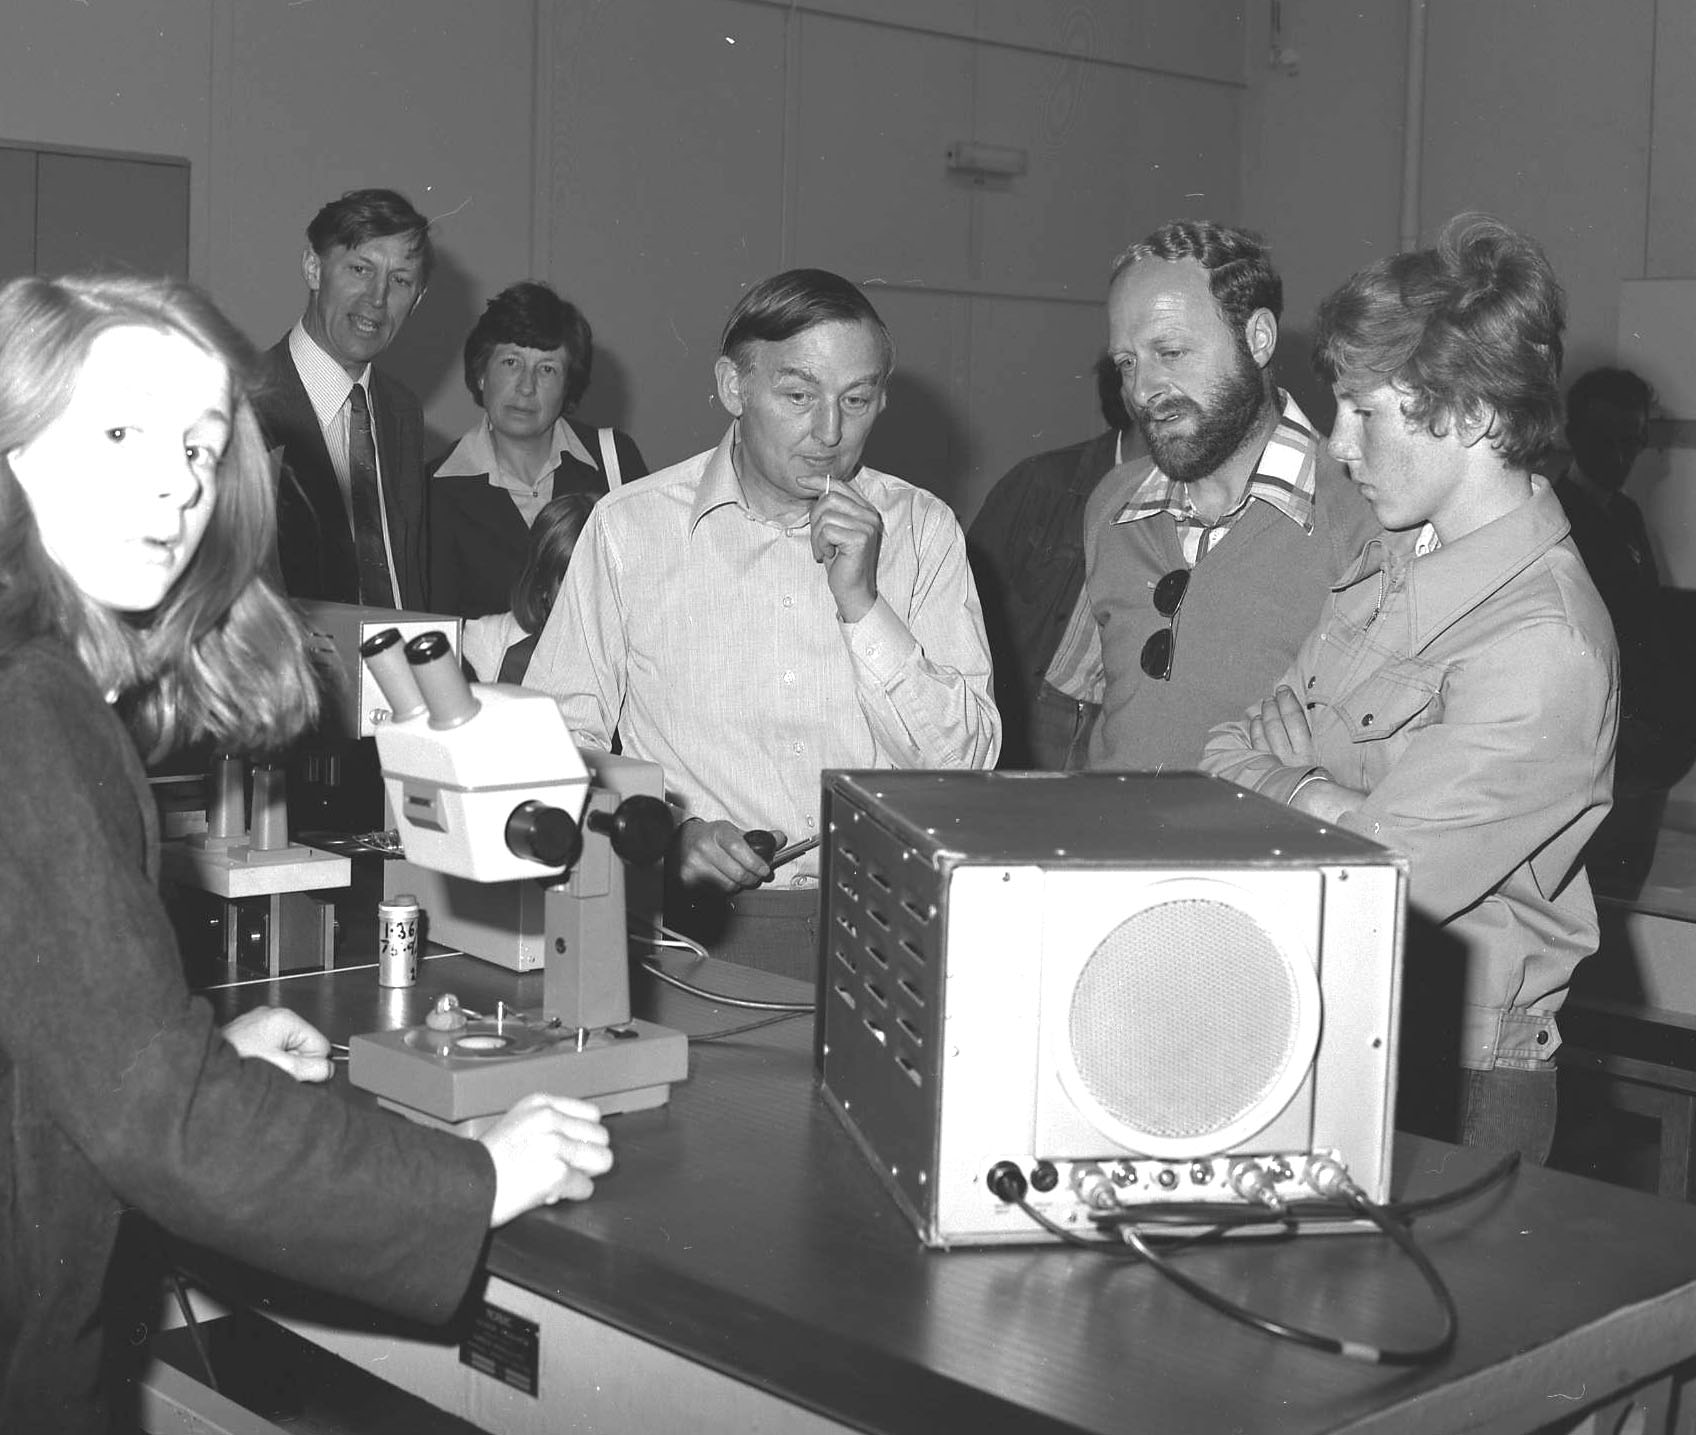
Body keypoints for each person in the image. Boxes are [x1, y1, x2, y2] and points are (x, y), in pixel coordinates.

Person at [0, 274, 614, 1433]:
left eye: (201, 443)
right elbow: (166, 1127)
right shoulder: (34, 709)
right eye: (121, 433)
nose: (178, 482)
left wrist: (188, 1050)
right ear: (14, 449)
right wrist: (477, 1177)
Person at [1201, 217, 1619, 1164]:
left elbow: (1378, 881)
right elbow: (1222, 749)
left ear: (1471, 415)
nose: (1337, 443)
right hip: (1332, 1026)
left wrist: (1293, 781)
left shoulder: (1544, 642)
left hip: (1458, 1079)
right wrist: (1331, 801)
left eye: (1365, 411)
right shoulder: (1391, 554)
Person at [524, 268, 998, 977]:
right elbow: (557, 743)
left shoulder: (923, 530)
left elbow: (968, 768)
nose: (830, 432)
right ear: (733, 387)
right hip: (698, 929)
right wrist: (667, 834)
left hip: (890, 918)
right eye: (799, 395)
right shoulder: (630, 530)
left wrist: (863, 604)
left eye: (856, 399)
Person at [1053, 220, 1376, 772]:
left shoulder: (1365, 516)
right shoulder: (1112, 504)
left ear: (1258, 338)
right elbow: (1075, 711)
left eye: (1172, 352)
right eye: (1127, 363)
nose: (1142, 391)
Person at [255, 187, 433, 609]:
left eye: (400, 280)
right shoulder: (242, 401)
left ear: (418, 299)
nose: (377, 298)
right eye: (359, 269)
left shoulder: (402, 411)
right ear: (313, 269)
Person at [966, 358, 1144, 770]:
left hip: (1118, 729)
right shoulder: (1044, 482)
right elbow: (960, 607)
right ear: (1126, 392)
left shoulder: (1197, 504)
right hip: (1033, 712)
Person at [431, 281, 647, 619]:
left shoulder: (615, 461)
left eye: (547, 369)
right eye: (511, 363)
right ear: (482, 373)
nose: (526, 387)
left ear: (568, 385)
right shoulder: (433, 491)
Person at [461, 490, 595, 683]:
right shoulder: (510, 654)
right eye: (571, 581)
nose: (589, 595)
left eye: (600, 578)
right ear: (544, 584)